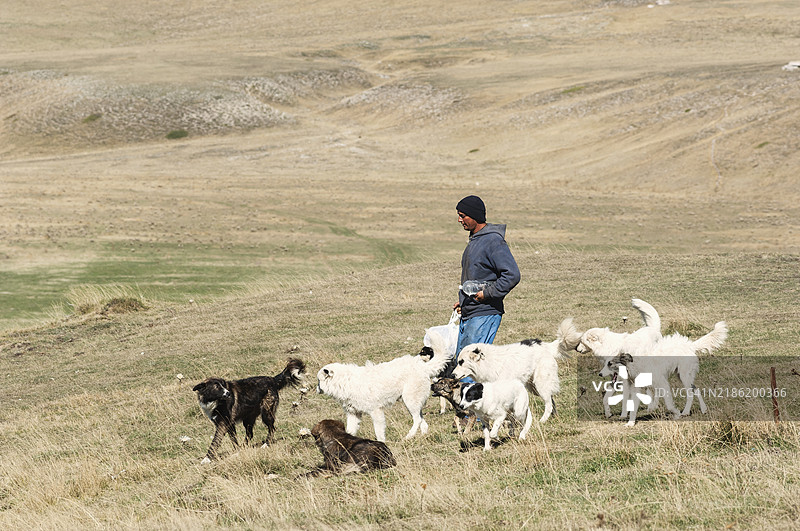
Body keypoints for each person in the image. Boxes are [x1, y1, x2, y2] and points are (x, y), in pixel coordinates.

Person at [444, 195, 520, 379]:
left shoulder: (493, 241)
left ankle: (472, 406)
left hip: (484, 313)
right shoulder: (476, 240)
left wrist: (486, 294)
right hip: (471, 311)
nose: (459, 220)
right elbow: (478, 278)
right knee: (461, 363)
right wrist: (464, 301)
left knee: (470, 369)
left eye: (463, 215)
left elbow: (512, 274)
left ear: (475, 216)